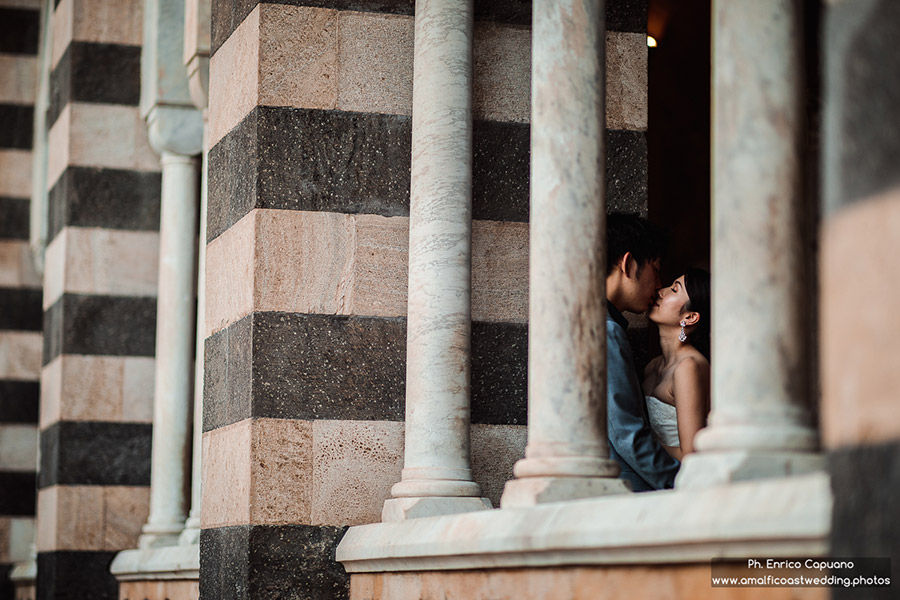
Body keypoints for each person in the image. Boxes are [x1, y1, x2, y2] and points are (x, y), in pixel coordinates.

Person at [606, 213, 680, 491]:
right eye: (656, 269)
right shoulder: (607, 331)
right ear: (628, 263)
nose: (659, 284)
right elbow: (627, 434)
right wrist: (683, 484)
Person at [643, 268, 711, 461]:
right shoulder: (652, 366)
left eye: (674, 289)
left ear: (689, 317)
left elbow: (691, 455)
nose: (660, 291)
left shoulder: (688, 367)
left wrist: (638, 447)